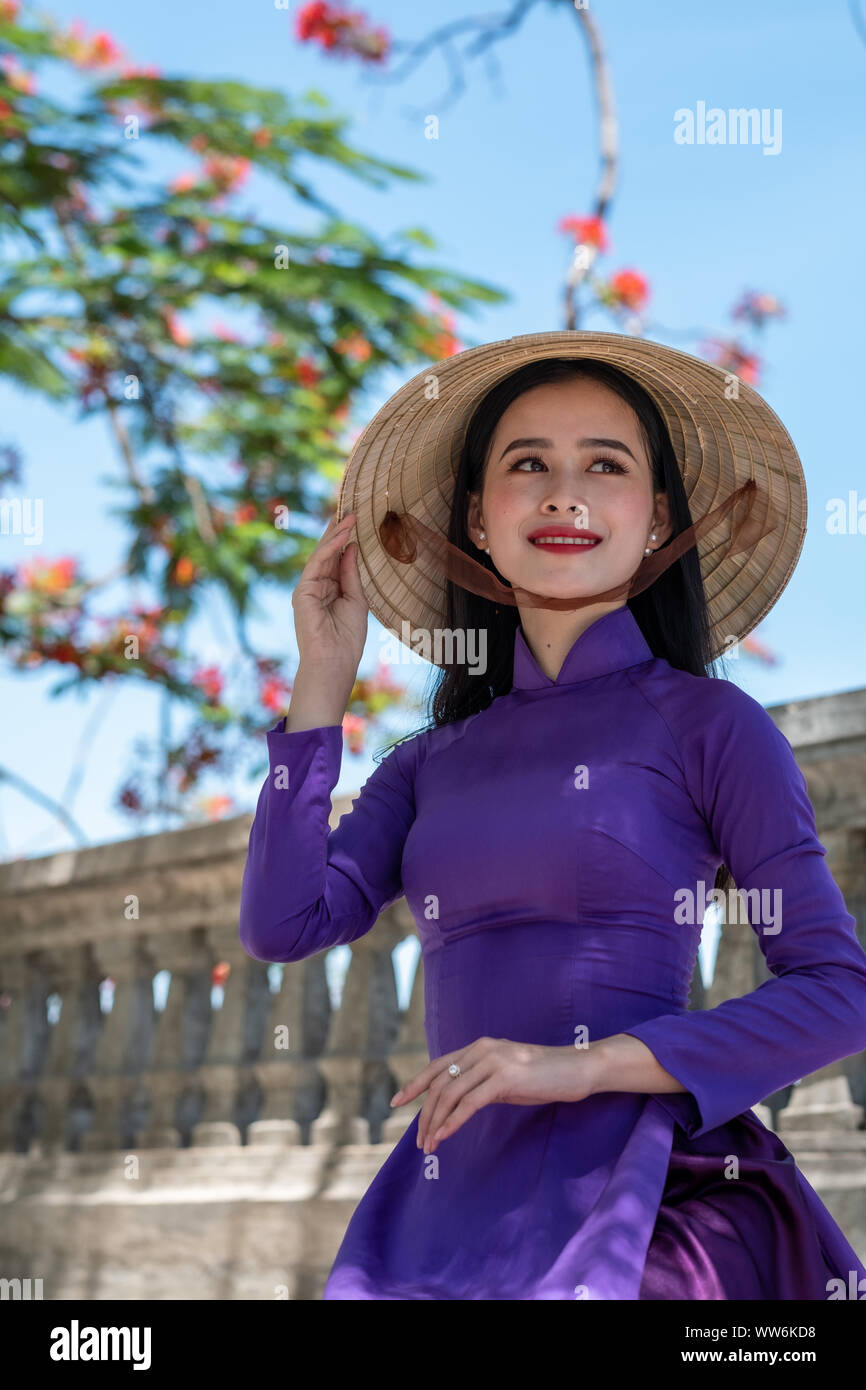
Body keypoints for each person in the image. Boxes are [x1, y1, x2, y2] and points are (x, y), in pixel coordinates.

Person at [239, 330, 866, 1300]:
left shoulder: (711, 727)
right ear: (477, 521)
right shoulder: (424, 765)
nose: (562, 493)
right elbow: (281, 924)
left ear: (655, 519)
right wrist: (322, 678)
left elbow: (838, 989)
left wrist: (574, 1069)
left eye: (602, 466)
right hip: (441, 1205)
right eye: (525, 463)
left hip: (650, 1205)